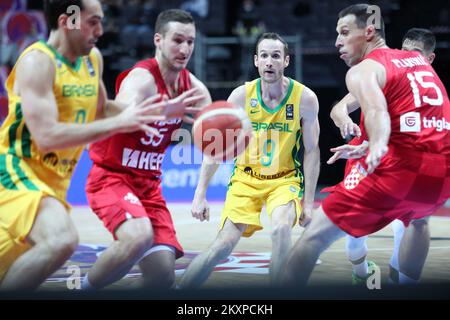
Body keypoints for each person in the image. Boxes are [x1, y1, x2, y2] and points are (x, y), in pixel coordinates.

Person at [0, 0, 198, 291]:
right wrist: (121, 123)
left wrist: (161, 111)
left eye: (101, 21)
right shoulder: (37, 62)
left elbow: (103, 110)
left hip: (52, 183)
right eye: (93, 22)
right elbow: (47, 136)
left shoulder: (92, 60)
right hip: (15, 172)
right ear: (68, 20)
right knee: (61, 240)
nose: (101, 30)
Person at [283, 4, 450, 286]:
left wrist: (378, 144)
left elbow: (376, 112)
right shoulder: (419, 62)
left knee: (312, 238)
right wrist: (372, 142)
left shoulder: (365, 69)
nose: (337, 41)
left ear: (369, 31)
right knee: (418, 220)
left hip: (398, 170)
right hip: (442, 177)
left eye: (344, 32)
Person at [81, 9, 211, 290]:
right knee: (136, 237)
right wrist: (165, 110)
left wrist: (234, 135)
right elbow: (120, 116)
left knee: (161, 278)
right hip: (111, 177)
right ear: (158, 40)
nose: (185, 48)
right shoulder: (141, 80)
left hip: (149, 187)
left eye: (190, 42)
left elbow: (214, 144)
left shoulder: (196, 91)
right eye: (178, 40)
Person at [179, 32, 320, 288]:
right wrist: (200, 194)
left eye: (276, 56)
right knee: (222, 246)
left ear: (286, 61)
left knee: (280, 229)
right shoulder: (241, 96)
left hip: (284, 180)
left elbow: (312, 151)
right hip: (246, 178)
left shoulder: (305, 98)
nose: (269, 62)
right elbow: (215, 148)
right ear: (256, 61)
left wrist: (308, 202)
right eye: (264, 56)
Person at [327, 28, 438, 284]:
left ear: (429, 59)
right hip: (365, 162)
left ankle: (400, 282)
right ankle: (362, 273)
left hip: (403, 165)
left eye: (416, 54)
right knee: (353, 243)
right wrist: (344, 120)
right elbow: (340, 108)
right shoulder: (382, 74)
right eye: (405, 52)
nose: (408, 58)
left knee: (411, 223)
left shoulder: (433, 94)